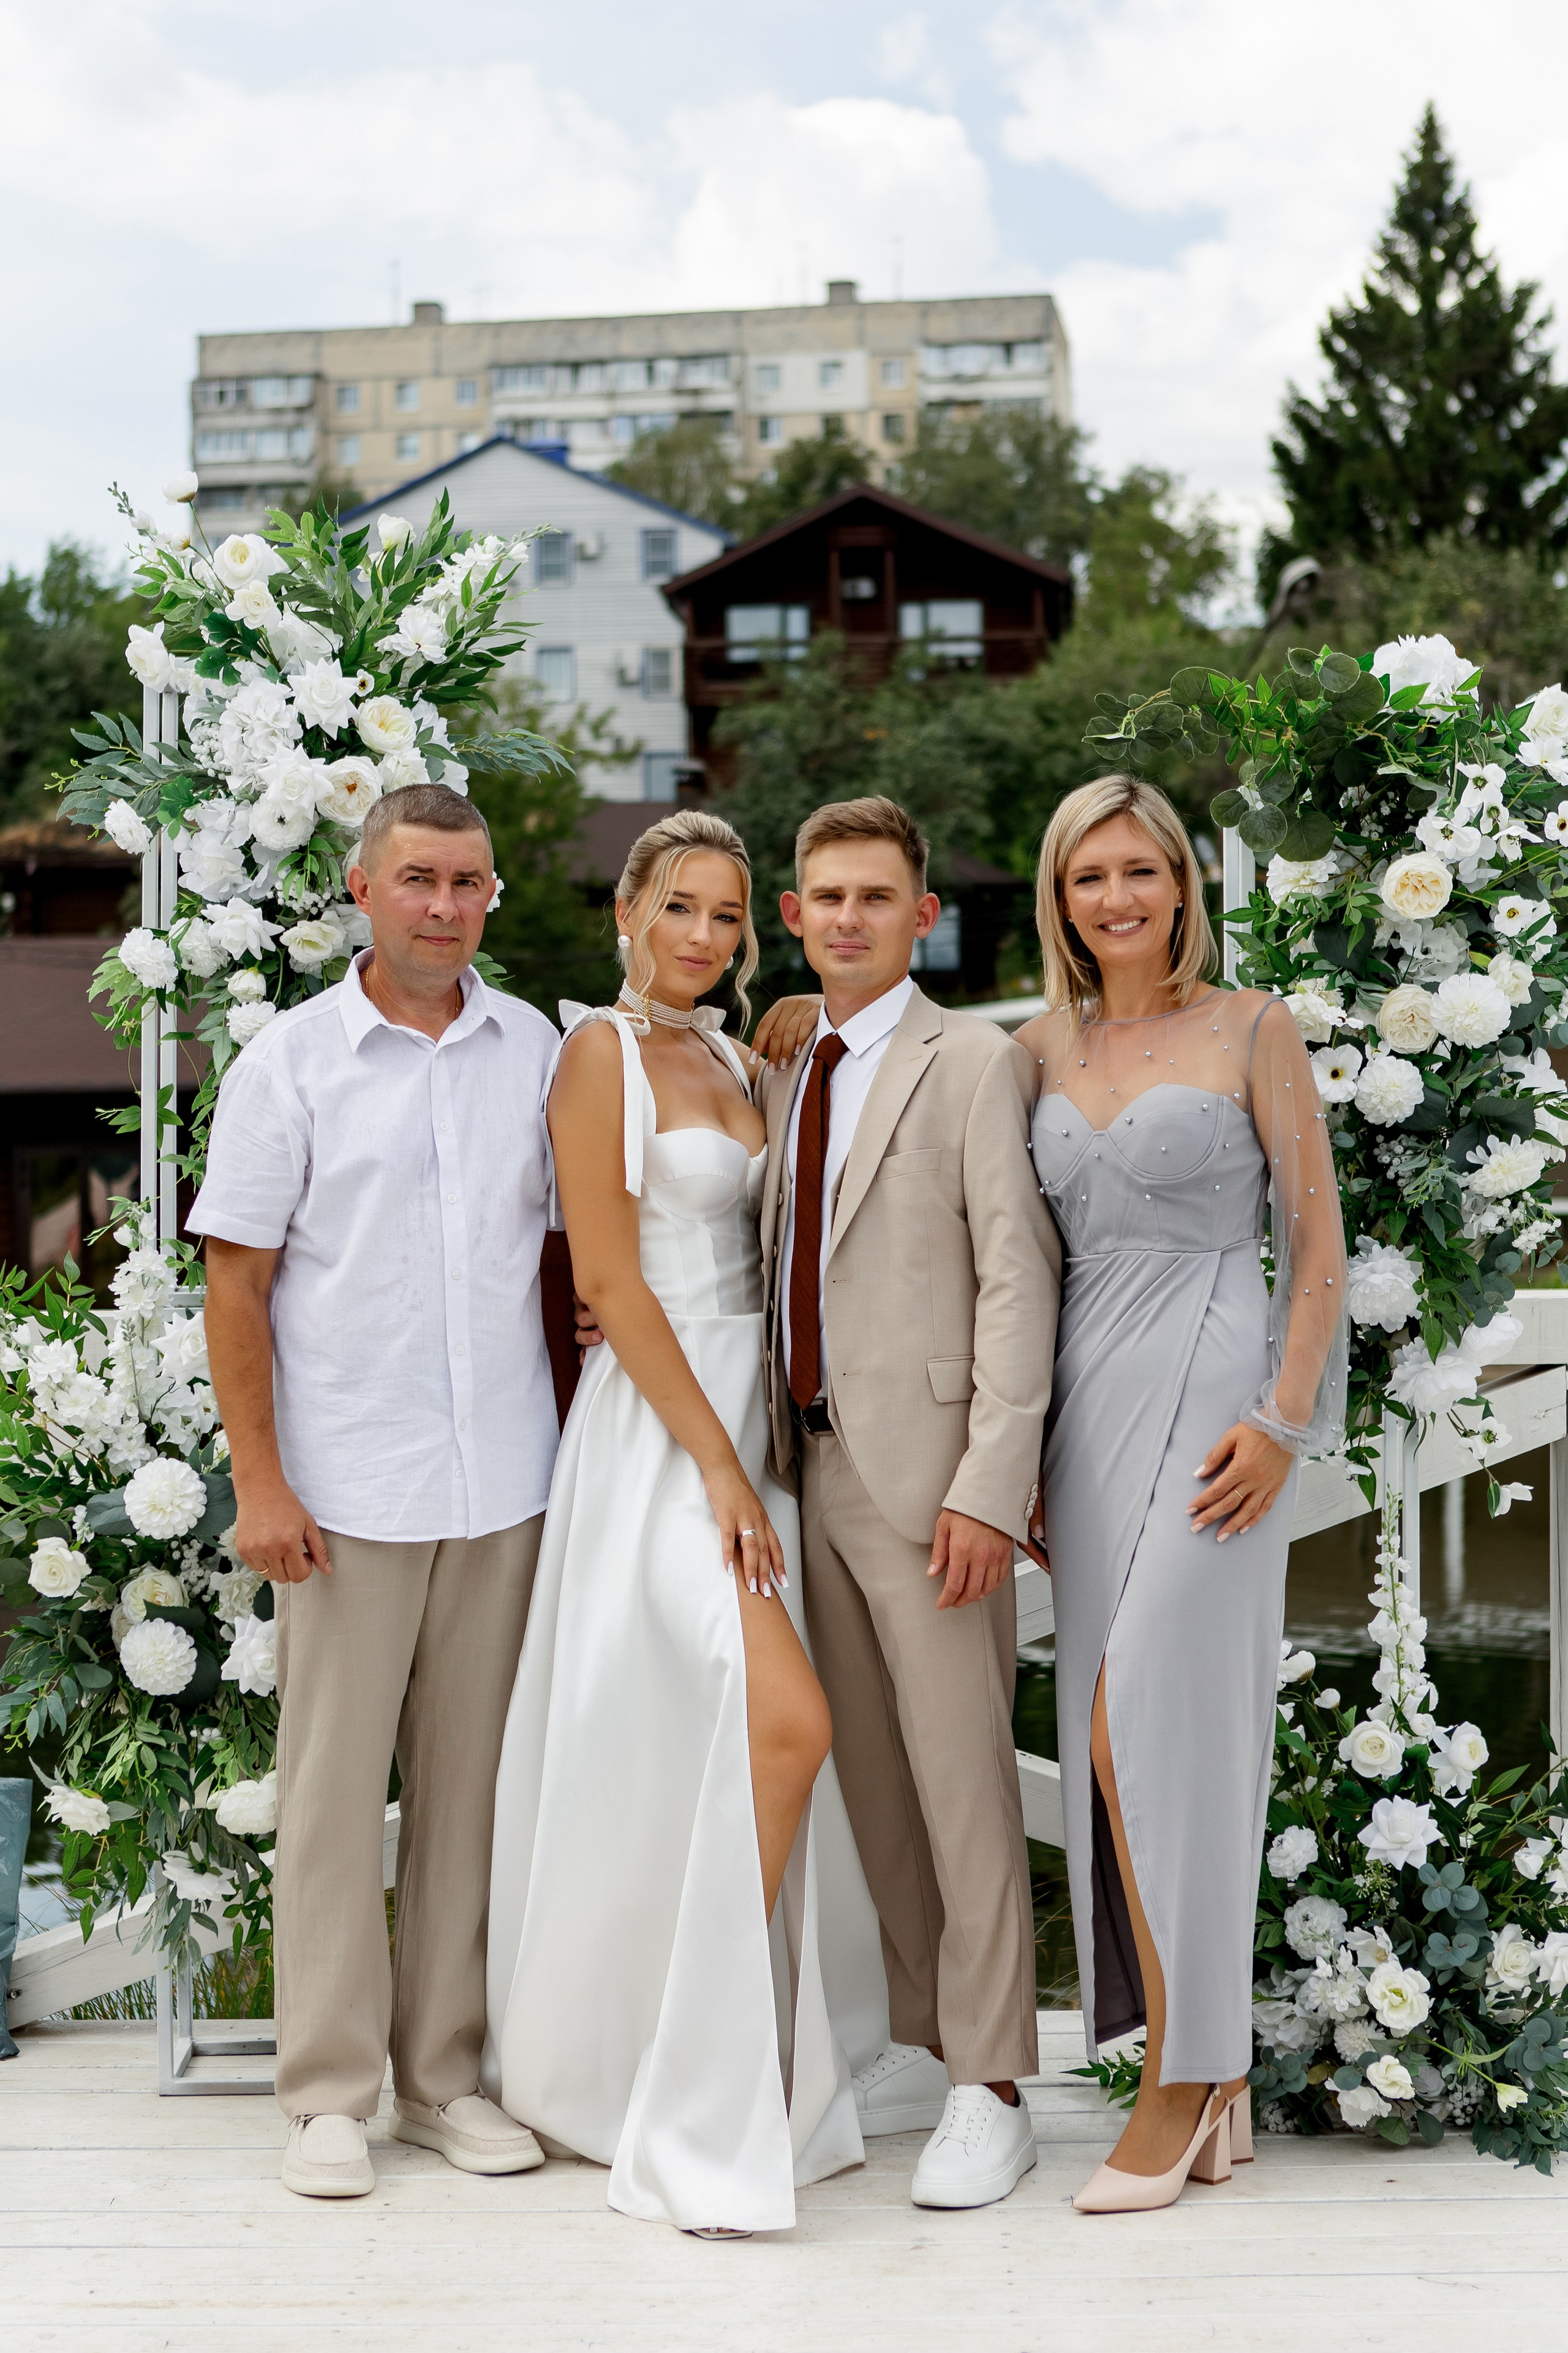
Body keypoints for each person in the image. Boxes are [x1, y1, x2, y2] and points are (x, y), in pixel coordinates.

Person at [484, 809, 879, 2237]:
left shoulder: (733, 1054)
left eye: (728, 915)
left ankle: (710, 2053)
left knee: (698, 1743)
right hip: (660, 1429)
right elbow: (615, 1279)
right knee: (783, 1719)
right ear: (625, 912)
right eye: (681, 909)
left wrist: (792, 1019)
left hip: (753, 1419)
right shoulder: (593, 1057)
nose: (705, 938)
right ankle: (686, 2077)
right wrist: (714, 1468)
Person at [191, 783, 560, 2200]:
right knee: (332, 1796)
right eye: (418, 879)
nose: (444, 907)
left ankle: (443, 2078)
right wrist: (260, 1479)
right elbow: (240, 1279)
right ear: (362, 887)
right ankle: (329, 2091)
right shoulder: (289, 1064)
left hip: (506, 1481)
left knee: (469, 1796)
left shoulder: (530, 1047)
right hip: (344, 1485)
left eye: (468, 883)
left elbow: (571, 1238)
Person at [1017, 775, 1347, 2215]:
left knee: (1145, 1716)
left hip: (1217, 1397)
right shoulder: (1029, 1043)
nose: (1116, 897)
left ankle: (1186, 2071)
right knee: (1108, 1733)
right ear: (1059, 896)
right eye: (1088, 875)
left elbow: (1313, 1231)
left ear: (1180, 881)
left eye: (1139, 869)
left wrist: (1283, 1419)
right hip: (1082, 1406)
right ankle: (1196, 2062)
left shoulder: (1250, 1025)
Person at [755, 796, 1061, 2213]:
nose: (846, 917)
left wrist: (990, 1484)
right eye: (823, 895)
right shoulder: (789, 1058)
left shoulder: (971, 1060)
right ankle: (930, 2038)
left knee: (960, 1784)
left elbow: (1016, 1274)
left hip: (931, 1480)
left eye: (874, 896)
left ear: (920, 914)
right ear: (791, 912)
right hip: (803, 1461)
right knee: (871, 1784)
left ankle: (996, 2081)